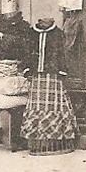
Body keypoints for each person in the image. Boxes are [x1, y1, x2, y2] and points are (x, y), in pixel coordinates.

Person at [20, 19, 78, 155]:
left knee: (54, 106)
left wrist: (62, 70)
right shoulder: (31, 33)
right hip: (37, 77)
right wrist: (28, 69)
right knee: (37, 107)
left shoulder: (57, 33)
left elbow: (62, 54)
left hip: (53, 76)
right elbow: (27, 53)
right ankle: (39, 144)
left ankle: (55, 143)